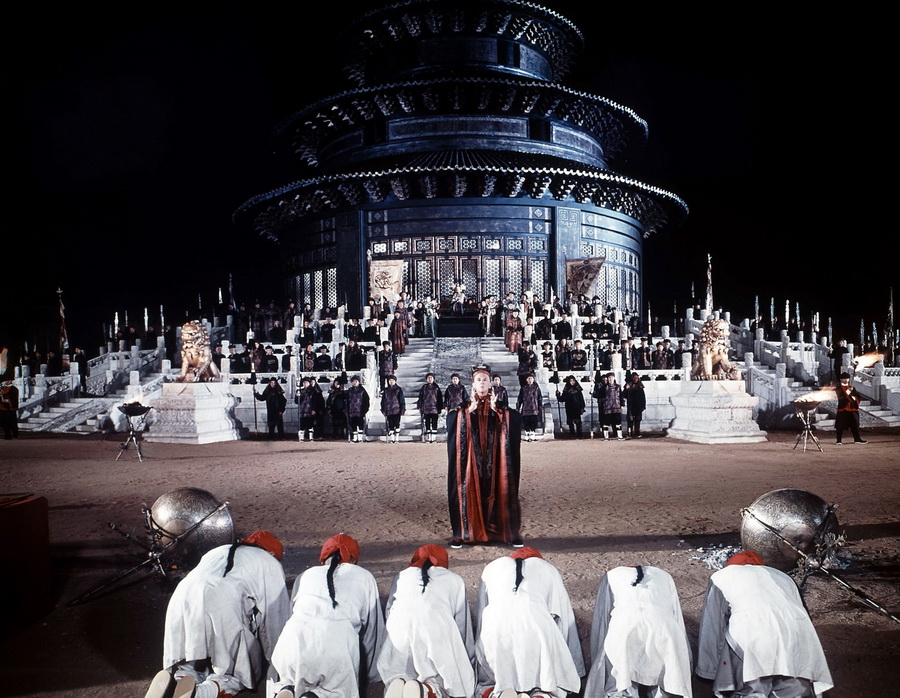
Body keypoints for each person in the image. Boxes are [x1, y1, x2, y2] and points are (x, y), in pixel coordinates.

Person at [144, 531, 290, 698]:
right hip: (221, 601)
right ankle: (201, 693)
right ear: (271, 553)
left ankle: (177, 682)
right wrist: (279, 662)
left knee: (190, 660)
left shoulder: (218, 550)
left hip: (182, 596)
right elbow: (275, 617)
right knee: (236, 673)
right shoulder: (270, 562)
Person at [696, 551, 833, 698]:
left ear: (731, 566)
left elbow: (712, 625)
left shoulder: (721, 576)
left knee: (753, 689)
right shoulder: (783, 577)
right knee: (794, 690)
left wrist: (708, 670)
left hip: (754, 637)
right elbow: (803, 613)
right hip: (798, 638)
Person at [269, 534, 384, 698]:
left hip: (294, 638)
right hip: (338, 643)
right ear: (353, 560)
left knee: (291, 677)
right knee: (337, 691)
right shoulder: (364, 576)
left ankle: (287, 687)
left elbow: (290, 614)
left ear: (323, 559)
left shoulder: (305, 575)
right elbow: (372, 630)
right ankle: (316, 696)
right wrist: (372, 672)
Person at [475, 547, 585, 698]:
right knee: (547, 676)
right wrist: (573, 667)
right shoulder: (548, 569)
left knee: (491, 678)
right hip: (537, 625)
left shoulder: (492, 567)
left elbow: (482, 613)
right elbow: (564, 618)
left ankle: (497, 693)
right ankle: (541, 694)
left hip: (495, 626)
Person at [378, 544, 476, 698]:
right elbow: (462, 624)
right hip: (435, 628)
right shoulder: (454, 579)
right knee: (444, 676)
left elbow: (389, 611)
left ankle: (398, 682)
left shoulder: (401, 575)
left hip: (399, 628)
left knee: (400, 664)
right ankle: (427, 690)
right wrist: (466, 657)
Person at [583, 565, 693, 698]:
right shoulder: (664, 575)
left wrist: (598, 656)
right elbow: (675, 613)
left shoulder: (611, 575)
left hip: (625, 630)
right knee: (665, 680)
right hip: (664, 630)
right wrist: (686, 659)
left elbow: (602, 618)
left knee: (621, 680)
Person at [447, 365, 523, 548]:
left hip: (495, 460)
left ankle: (507, 532)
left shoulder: (500, 407)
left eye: (485, 380)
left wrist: (499, 412)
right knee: (467, 489)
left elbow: (516, 420)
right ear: (473, 384)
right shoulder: (464, 407)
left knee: (501, 488)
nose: (482, 383)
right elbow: (450, 422)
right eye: (478, 380)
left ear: (491, 384)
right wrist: (467, 413)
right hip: (471, 462)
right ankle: (464, 533)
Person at [834, 372, 867, 445]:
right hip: (843, 409)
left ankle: (857, 439)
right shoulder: (838, 388)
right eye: (844, 378)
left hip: (852, 409)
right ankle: (838, 440)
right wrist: (848, 392)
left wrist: (853, 397)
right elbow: (841, 396)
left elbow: (858, 397)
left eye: (847, 378)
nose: (846, 380)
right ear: (841, 379)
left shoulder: (852, 388)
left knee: (855, 425)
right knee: (840, 425)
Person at [594, 372, 623, 440]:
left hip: (616, 407)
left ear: (614, 378)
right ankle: (606, 436)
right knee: (606, 423)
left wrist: (622, 405)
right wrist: (593, 392)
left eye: (612, 377)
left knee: (618, 422)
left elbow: (621, 396)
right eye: (609, 378)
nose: (610, 379)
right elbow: (599, 395)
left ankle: (619, 436)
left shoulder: (618, 387)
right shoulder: (604, 387)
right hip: (607, 407)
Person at [417, 372, 444, 443]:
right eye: (428, 378)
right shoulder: (424, 387)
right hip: (426, 408)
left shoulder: (436, 387)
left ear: (433, 379)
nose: (430, 379)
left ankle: (433, 438)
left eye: (431, 378)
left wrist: (440, 407)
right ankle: (428, 438)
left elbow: (440, 398)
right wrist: (419, 406)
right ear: (426, 379)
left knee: (434, 423)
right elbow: (420, 398)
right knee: (427, 423)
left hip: (435, 408)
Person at [516, 372, 543, 442]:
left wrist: (540, 406)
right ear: (526, 380)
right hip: (526, 408)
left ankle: (532, 433)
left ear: (533, 379)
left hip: (534, 407)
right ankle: (527, 433)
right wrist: (518, 406)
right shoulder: (523, 388)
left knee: (533, 421)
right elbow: (520, 398)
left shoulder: (536, 388)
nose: (530, 380)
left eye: (531, 378)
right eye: (529, 378)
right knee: (526, 421)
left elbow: (539, 398)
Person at [296, 376, 324, 442]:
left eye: (306, 383)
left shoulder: (313, 391)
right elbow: (297, 401)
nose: (305, 384)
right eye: (304, 383)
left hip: (310, 410)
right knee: (302, 425)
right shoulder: (300, 391)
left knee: (310, 424)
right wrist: (297, 396)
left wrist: (314, 409)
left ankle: (311, 437)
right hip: (302, 410)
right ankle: (301, 437)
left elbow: (315, 401)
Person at [381, 374, 406, 443]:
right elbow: (383, 401)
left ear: (395, 381)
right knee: (390, 424)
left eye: (392, 380)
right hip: (388, 410)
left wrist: (402, 409)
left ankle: (397, 438)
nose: (391, 382)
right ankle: (392, 439)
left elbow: (402, 400)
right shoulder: (386, 390)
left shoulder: (398, 389)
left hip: (397, 410)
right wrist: (383, 409)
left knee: (397, 424)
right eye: (390, 380)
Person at [622, 372, 646, 438]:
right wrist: (626, 389)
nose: (635, 379)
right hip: (631, 405)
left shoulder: (640, 386)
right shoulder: (629, 385)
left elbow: (643, 397)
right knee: (630, 420)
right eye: (634, 378)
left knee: (637, 420)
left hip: (638, 406)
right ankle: (629, 433)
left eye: (637, 378)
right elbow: (624, 395)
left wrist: (643, 406)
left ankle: (637, 433)